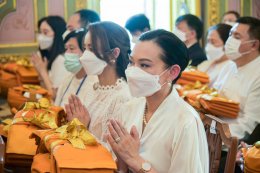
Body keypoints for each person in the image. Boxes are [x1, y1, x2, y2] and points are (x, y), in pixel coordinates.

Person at [106, 29, 209, 173]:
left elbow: (134, 161)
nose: (133, 72)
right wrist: (121, 157)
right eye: (131, 62)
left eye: (144, 65)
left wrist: (136, 161)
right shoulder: (130, 108)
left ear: (172, 72)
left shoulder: (185, 121)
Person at [65, 21, 132, 143]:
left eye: (92, 48)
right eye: (85, 48)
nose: (84, 56)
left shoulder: (122, 98)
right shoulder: (93, 87)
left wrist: (81, 128)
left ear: (114, 54)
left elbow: (113, 155)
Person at [213, 16, 260, 140]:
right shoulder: (229, 66)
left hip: (235, 144)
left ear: (254, 44)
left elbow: (250, 123)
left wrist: (218, 137)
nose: (230, 40)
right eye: (230, 35)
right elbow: (213, 99)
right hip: (212, 133)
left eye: (237, 37)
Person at [54, 28, 97, 107]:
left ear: (85, 51)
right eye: (66, 48)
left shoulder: (94, 84)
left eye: (71, 48)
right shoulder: (67, 79)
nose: (67, 53)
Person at [31, 16, 70, 100]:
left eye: (45, 32)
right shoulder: (48, 56)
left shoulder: (61, 60)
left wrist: (42, 71)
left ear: (58, 33)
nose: (41, 36)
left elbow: (55, 96)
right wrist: (41, 72)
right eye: (40, 32)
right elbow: (45, 89)